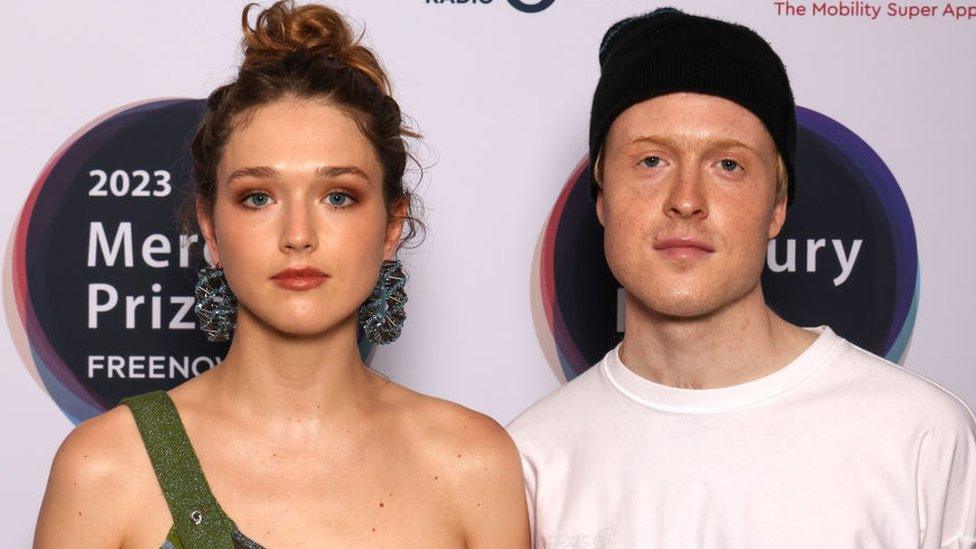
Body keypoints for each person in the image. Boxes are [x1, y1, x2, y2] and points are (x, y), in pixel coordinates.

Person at [34, 2, 529, 547]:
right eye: (258, 197)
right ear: (211, 229)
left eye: (338, 196)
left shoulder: (473, 466)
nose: (298, 234)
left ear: (391, 226)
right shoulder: (106, 467)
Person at [508, 8, 976, 548]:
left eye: (727, 165)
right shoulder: (530, 460)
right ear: (602, 201)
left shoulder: (923, 438)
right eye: (652, 160)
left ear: (776, 206)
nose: (686, 200)